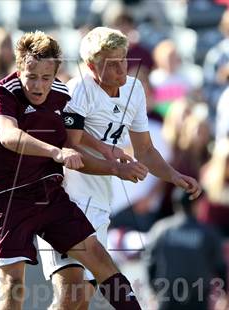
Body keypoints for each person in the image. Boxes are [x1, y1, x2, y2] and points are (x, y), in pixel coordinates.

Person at [0, 30, 151, 310]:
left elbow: (76, 137)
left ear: (56, 73)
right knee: (13, 284)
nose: (38, 85)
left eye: (46, 78)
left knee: (98, 258)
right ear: (19, 68)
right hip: (5, 199)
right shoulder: (3, 93)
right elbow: (9, 136)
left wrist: (107, 152)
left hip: (48, 194)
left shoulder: (60, 95)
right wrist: (55, 152)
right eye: (31, 76)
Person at [37, 27, 201, 310]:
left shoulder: (134, 90)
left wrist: (174, 176)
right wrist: (115, 168)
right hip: (64, 203)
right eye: (110, 63)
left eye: (122, 59)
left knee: (78, 301)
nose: (120, 68)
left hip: (99, 206)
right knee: (72, 291)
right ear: (91, 66)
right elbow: (71, 152)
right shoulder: (79, 89)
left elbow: (145, 151)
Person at [146, 188, 229, 310]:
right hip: (198, 299)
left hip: (167, 298)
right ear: (196, 204)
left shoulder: (160, 229)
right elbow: (221, 267)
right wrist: (224, 294)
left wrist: (152, 292)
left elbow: (150, 262)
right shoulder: (208, 233)